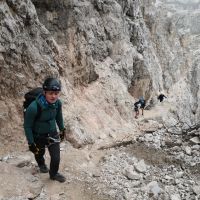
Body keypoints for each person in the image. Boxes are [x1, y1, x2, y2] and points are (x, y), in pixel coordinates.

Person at [24, 77, 66, 183]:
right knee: (39, 153)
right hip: (38, 135)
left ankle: (53, 174)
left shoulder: (58, 103)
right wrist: (31, 143)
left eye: (56, 93)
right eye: (51, 93)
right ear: (44, 92)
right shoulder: (34, 107)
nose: (53, 96)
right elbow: (27, 126)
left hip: (52, 132)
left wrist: (62, 129)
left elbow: (58, 117)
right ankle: (41, 164)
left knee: (56, 157)